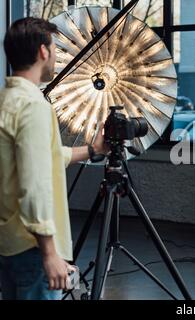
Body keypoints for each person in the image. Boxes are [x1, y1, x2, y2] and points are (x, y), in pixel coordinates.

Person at [0, 18, 108, 300]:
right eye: (55, 49)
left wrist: (94, 150)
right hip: (32, 250)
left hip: (8, 244)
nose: (57, 57)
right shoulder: (33, 106)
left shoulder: (6, 101)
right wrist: (50, 253)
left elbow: (46, 157)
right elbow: (35, 183)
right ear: (43, 52)